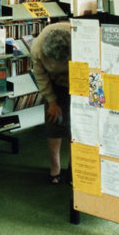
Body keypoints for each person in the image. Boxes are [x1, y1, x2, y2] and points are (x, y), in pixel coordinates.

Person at [29, 20, 71, 184]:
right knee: (54, 124)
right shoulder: (37, 49)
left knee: (79, 127)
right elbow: (41, 77)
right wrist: (52, 101)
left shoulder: (79, 39)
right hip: (54, 84)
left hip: (79, 80)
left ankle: (76, 171)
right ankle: (55, 170)